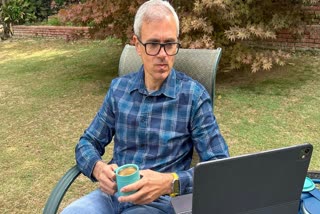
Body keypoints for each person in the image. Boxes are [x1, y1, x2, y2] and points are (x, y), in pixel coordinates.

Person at [62, 0, 229, 213]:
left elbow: (219, 168)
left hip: (158, 203)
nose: (162, 54)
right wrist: (97, 168)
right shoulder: (119, 90)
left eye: (169, 43)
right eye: (152, 44)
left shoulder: (193, 97)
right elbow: (88, 142)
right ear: (138, 45)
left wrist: (170, 182)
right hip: (111, 196)